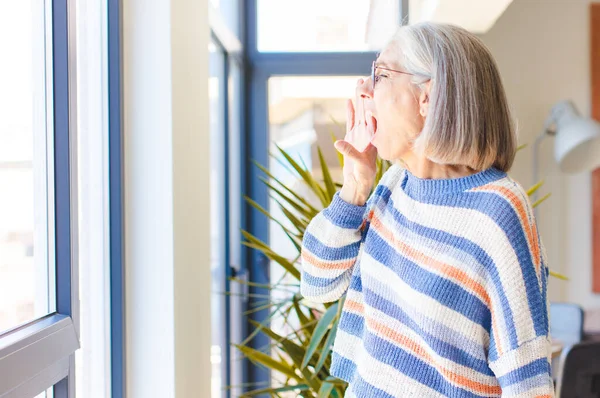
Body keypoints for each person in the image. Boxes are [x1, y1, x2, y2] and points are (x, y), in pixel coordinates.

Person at [300, 22, 554, 397]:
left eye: (381, 74)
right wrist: (355, 186)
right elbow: (317, 283)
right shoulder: (392, 187)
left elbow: (527, 379)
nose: (363, 89)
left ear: (427, 97)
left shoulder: (497, 211)